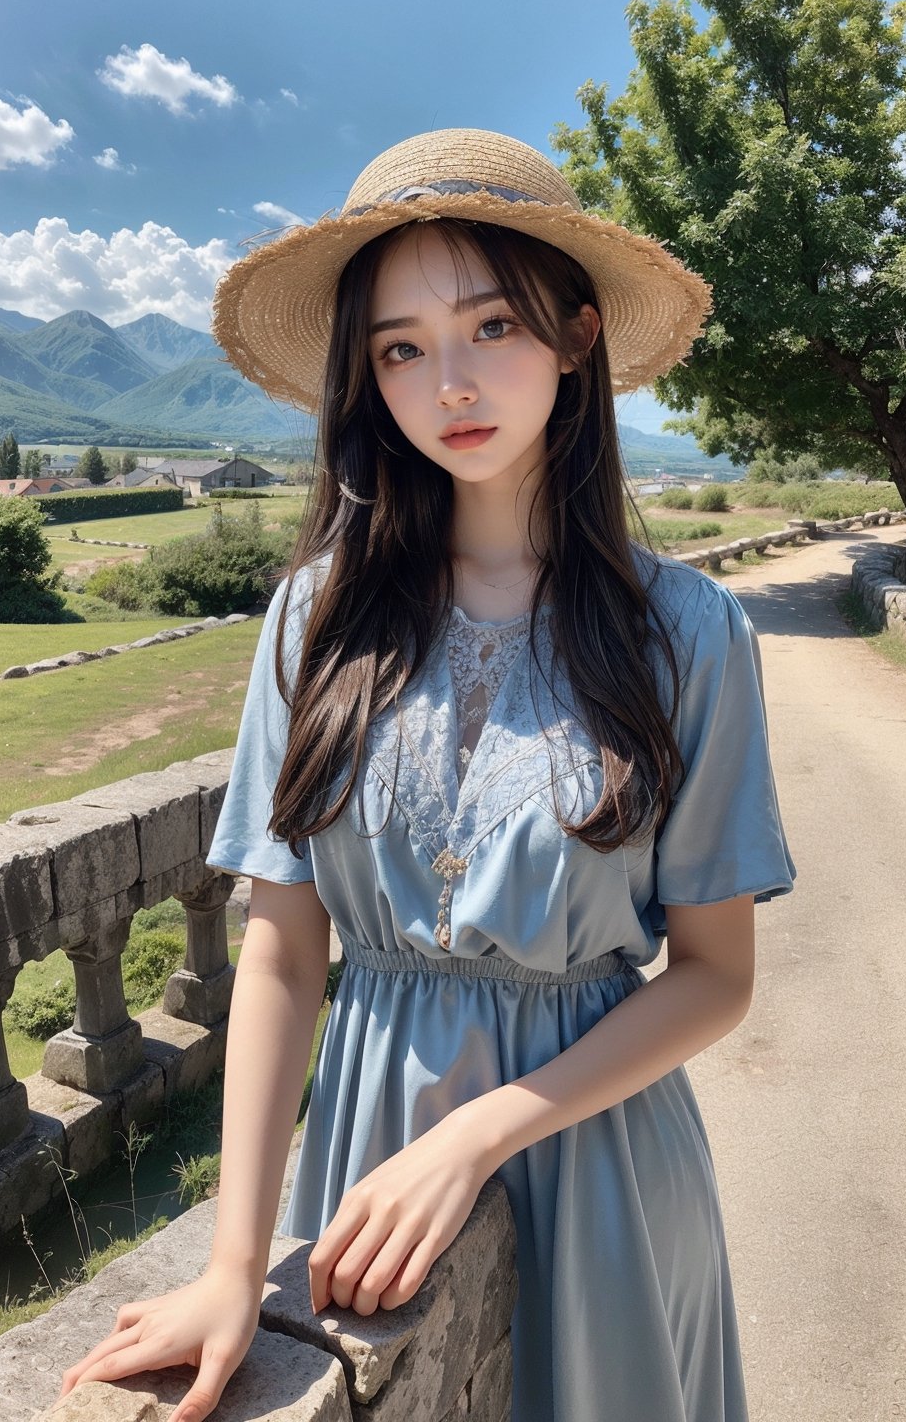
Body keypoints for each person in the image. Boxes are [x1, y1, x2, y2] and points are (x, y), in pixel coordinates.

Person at [59, 129, 795, 1422]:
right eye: (399, 348)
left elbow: (717, 978)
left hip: (602, 1169)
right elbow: (285, 946)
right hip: (360, 1162)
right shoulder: (313, 624)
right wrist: (236, 1263)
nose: (446, 382)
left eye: (490, 324)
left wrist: (479, 1131)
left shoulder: (690, 634)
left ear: (575, 336)